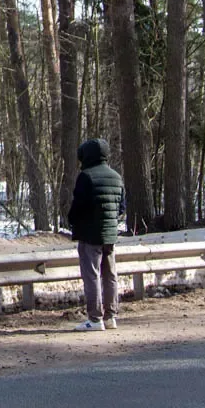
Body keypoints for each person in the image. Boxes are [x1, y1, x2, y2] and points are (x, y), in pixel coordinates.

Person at [66, 138, 124, 331]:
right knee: (110, 276)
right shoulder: (116, 177)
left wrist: (73, 221)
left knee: (92, 275)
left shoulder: (86, 177)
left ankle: (95, 318)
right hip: (110, 234)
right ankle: (110, 317)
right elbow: (121, 208)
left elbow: (78, 207)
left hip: (90, 235)